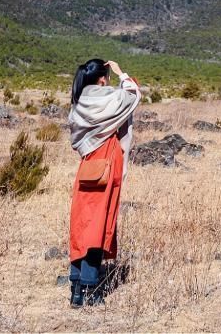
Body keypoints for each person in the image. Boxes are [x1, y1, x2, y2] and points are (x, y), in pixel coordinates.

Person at [67, 58, 141, 308]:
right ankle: (90, 288)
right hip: (107, 161)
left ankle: (75, 288)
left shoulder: (79, 101)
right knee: (99, 222)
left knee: (81, 223)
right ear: (102, 79)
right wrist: (122, 72)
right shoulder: (107, 96)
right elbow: (132, 94)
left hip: (87, 163)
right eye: (107, 76)